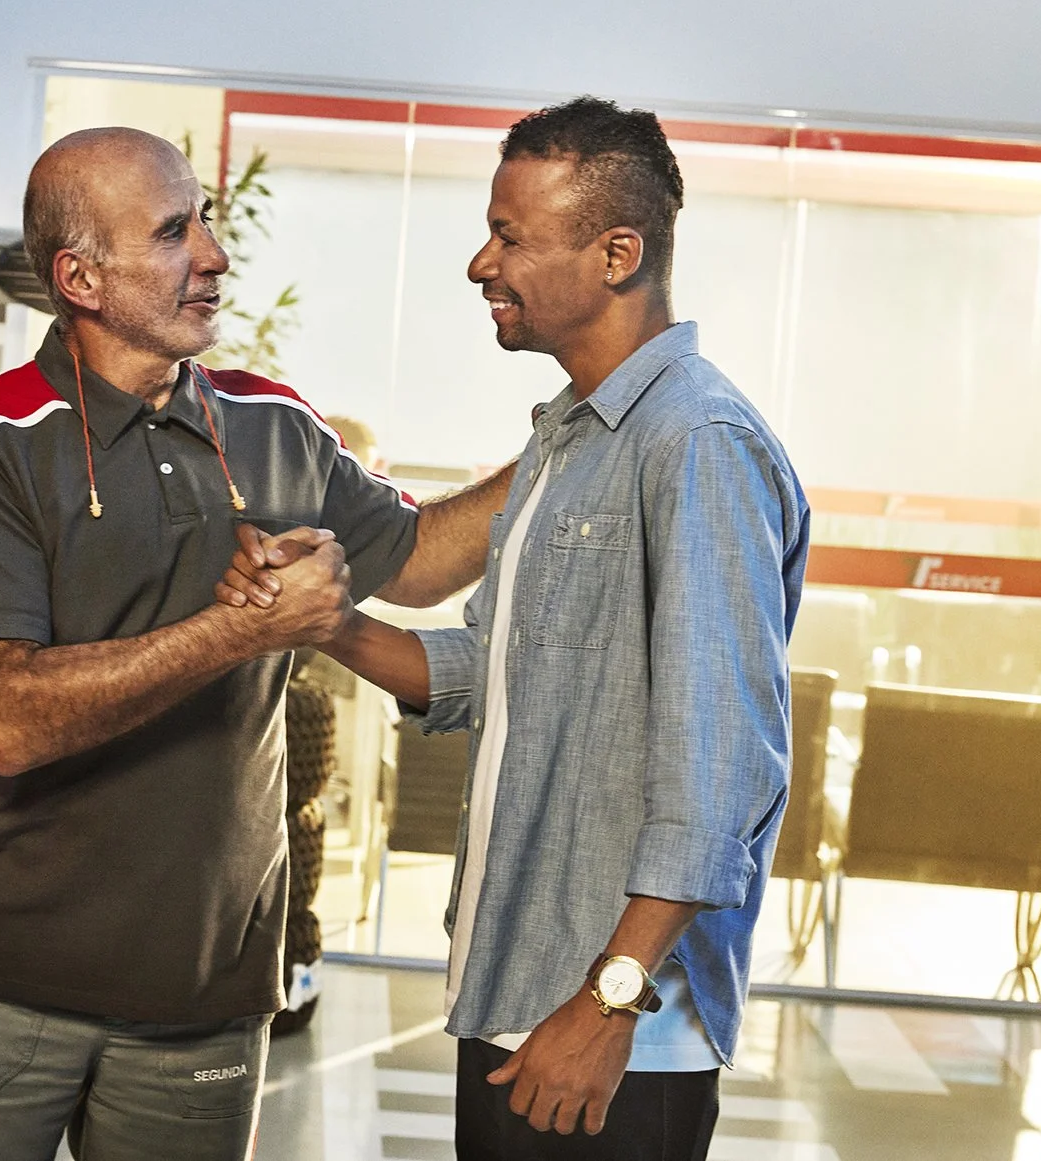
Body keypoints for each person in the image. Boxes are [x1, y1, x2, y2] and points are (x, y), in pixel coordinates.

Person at [0, 127, 511, 1161]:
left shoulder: (274, 425)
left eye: (204, 218)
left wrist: (575, 432)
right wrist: (237, 632)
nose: (213, 253)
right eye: (174, 232)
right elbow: (9, 720)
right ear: (79, 277)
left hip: (208, 995)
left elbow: (423, 558)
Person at [219, 98, 810, 1160]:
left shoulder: (699, 445)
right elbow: (487, 675)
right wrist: (324, 621)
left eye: (512, 237)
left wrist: (608, 1005)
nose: (480, 263)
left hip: (611, 1034)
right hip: (515, 992)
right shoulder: (565, 444)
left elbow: (724, 770)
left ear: (616, 253)